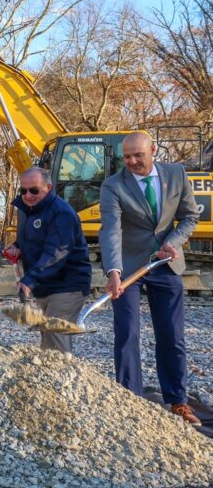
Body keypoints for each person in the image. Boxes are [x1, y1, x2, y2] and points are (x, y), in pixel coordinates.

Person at [99, 131, 201, 426]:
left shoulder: (176, 174)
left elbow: (190, 216)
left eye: (138, 155)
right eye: (126, 156)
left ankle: (178, 401)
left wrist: (175, 241)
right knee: (127, 333)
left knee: (171, 335)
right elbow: (110, 230)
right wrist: (114, 271)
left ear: (153, 150)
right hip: (129, 267)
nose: (131, 161)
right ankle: (130, 400)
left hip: (166, 264)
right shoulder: (113, 185)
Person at [3, 167, 92, 352]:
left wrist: (30, 279)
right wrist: (17, 247)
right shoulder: (27, 210)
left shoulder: (62, 213)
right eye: (23, 190)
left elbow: (57, 251)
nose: (27, 195)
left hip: (67, 284)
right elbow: (31, 239)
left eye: (34, 190)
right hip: (44, 285)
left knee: (55, 338)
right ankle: (49, 378)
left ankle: (64, 378)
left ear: (48, 187)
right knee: (47, 336)